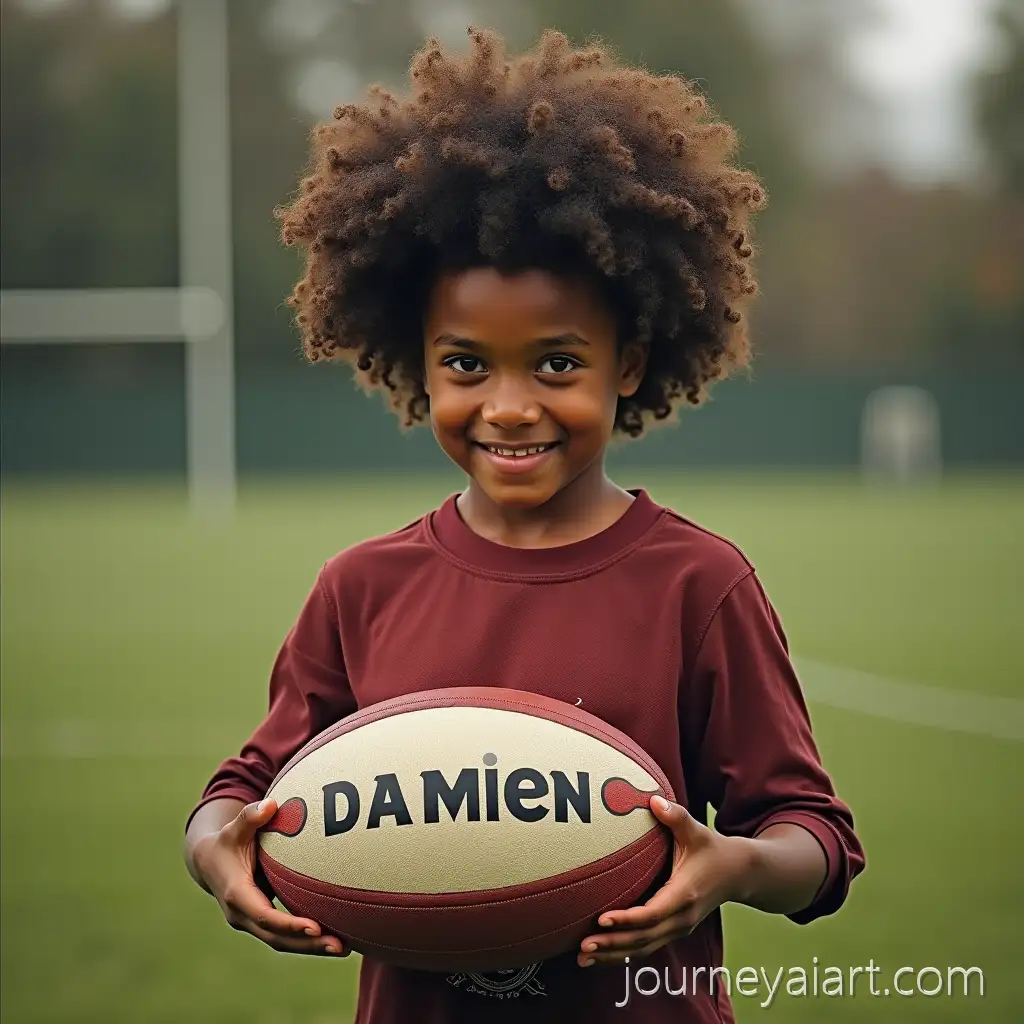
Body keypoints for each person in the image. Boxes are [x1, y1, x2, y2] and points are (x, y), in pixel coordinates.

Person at [183, 27, 865, 1024]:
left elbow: (815, 841)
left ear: (628, 363)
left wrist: (733, 866)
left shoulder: (697, 583)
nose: (507, 405)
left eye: (555, 363)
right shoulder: (361, 588)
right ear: (416, 362)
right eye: (466, 365)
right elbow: (240, 790)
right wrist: (219, 856)